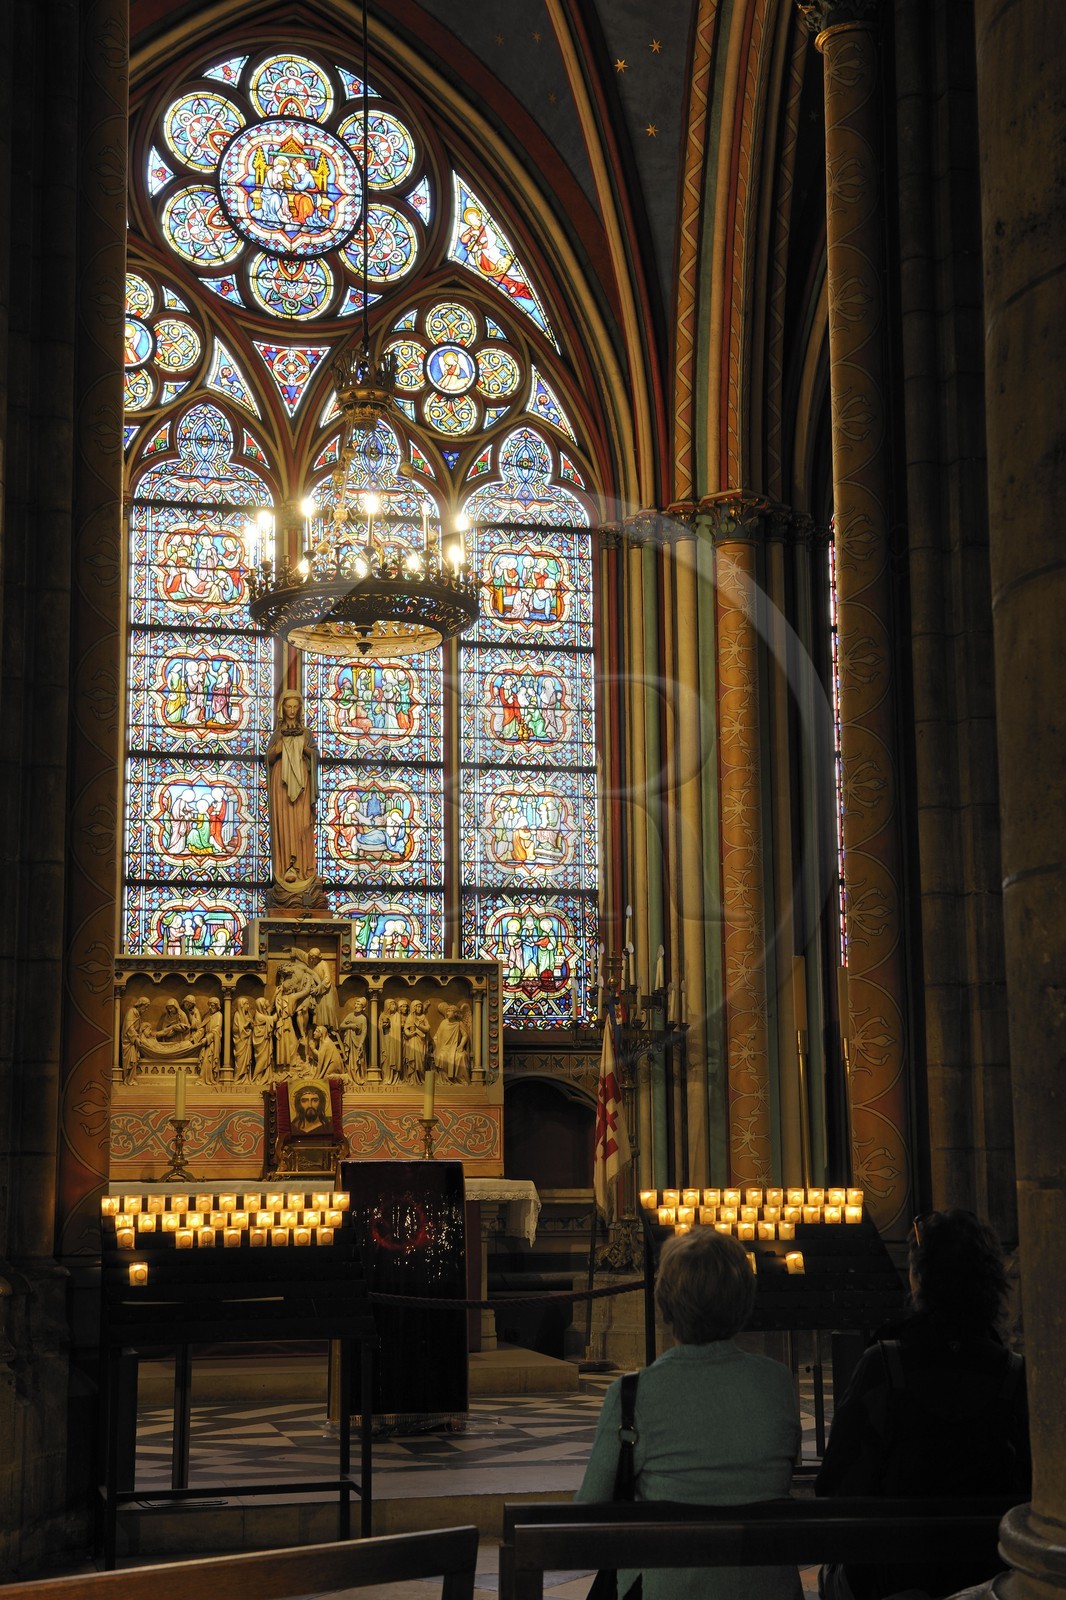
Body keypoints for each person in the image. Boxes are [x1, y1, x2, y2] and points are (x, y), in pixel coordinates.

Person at [816, 1209, 1030, 1600]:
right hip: (985, 1573)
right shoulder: (1012, 1374)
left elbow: (836, 1483)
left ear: (920, 1280)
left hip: (894, 1579)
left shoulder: (885, 1364)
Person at [577, 1228, 801, 1600]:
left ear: (665, 1303)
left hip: (669, 1589)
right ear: (744, 1299)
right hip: (765, 1588)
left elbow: (588, 1513)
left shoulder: (635, 1395)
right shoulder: (777, 1381)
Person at [265, 691, 319, 885]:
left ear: (300, 709)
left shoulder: (307, 734)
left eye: (296, 707)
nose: (292, 710)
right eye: (289, 706)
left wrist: (305, 750)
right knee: (285, 822)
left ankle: (303, 867)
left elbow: (314, 755)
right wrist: (278, 749)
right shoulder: (277, 735)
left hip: (302, 783)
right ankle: (287, 865)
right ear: (282, 709)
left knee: (302, 824)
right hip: (282, 783)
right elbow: (269, 758)